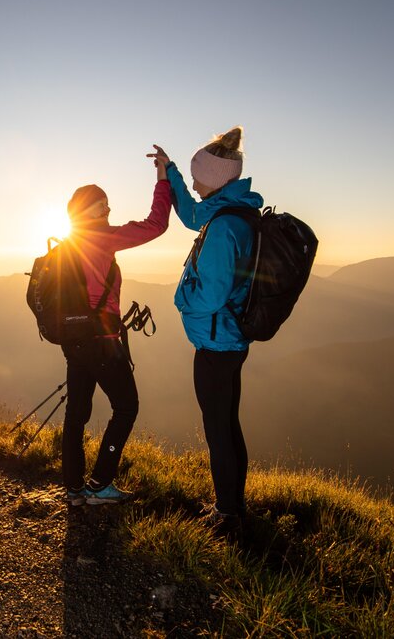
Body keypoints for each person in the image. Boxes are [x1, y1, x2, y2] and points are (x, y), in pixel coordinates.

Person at [147, 127, 262, 532]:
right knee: (227, 423)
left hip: (217, 343)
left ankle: (226, 514)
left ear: (215, 179)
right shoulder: (234, 211)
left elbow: (210, 294)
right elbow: (193, 214)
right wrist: (172, 171)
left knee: (218, 429)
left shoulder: (225, 228)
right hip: (230, 337)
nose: (194, 187)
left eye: (198, 179)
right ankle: (234, 505)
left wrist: (180, 300)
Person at [60, 154, 171, 506]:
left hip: (73, 341)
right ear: (87, 211)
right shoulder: (103, 238)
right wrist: (163, 179)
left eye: (108, 204)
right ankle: (100, 484)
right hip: (102, 343)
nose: (108, 209)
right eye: (102, 205)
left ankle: (74, 489)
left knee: (76, 414)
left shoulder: (66, 246)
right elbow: (156, 225)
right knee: (126, 407)